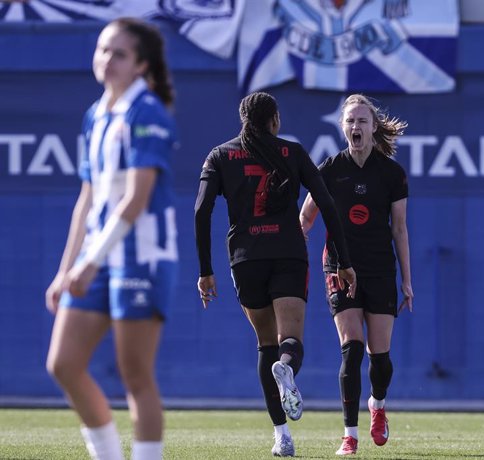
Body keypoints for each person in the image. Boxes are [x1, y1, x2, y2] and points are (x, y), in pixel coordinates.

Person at [193, 91, 356, 457]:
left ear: (243, 120)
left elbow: (202, 211)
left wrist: (206, 271)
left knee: (265, 342)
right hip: (287, 253)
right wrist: (344, 260)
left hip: (245, 258)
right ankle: (287, 368)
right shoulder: (292, 153)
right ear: (275, 120)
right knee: (289, 341)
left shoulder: (220, 155)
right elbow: (326, 204)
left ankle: (281, 435)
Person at [44, 17, 178, 460]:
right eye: (102, 50)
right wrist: (67, 269)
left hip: (141, 257)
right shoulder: (95, 115)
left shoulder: (147, 112)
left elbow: (136, 200)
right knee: (63, 365)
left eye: (119, 53)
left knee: (135, 374)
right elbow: (87, 200)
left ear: (141, 64)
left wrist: (88, 263)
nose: (107, 60)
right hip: (97, 257)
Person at [300, 94, 413, 456]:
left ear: (373, 126)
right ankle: (350, 435)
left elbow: (399, 229)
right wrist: (289, 248)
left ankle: (377, 406)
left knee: (380, 358)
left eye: (362, 121)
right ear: (342, 127)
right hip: (339, 267)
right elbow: (305, 218)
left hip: (380, 268)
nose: (356, 127)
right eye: (350, 121)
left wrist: (406, 281)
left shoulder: (391, 173)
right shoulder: (330, 170)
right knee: (352, 350)